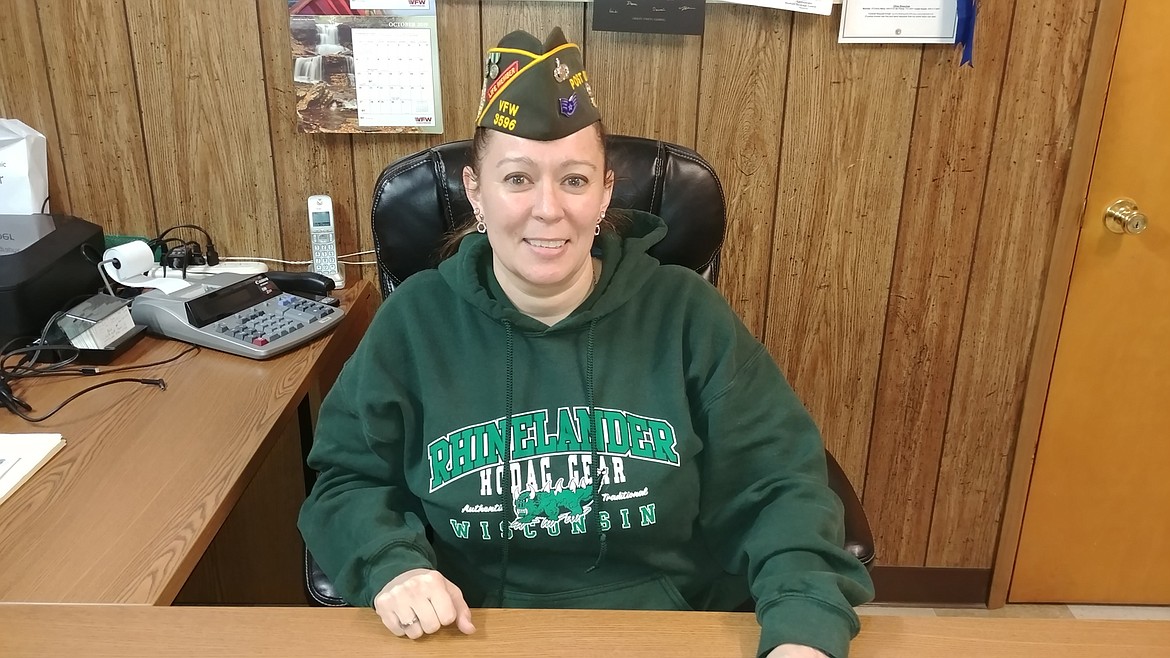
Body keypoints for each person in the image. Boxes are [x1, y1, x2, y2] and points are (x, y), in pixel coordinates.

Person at [299, 26, 875, 658]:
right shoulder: (413, 323)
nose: (548, 209)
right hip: (471, 633)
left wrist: (803, 630)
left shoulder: (689, 317)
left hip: (671, 629)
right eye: (517, 179)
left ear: (605, 192)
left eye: (573, 180)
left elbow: (779, 486)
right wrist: (393, 565)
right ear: (475, 191)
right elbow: (346, 481)